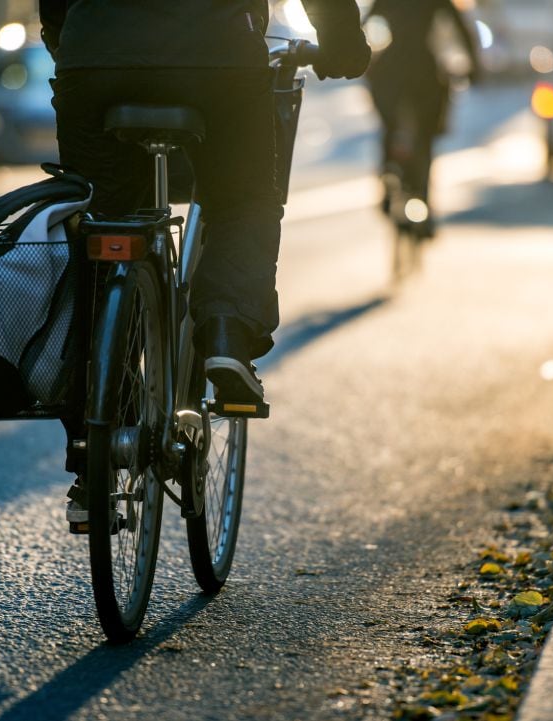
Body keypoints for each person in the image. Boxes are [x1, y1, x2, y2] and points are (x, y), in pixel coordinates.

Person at [38, 0, 370, 526]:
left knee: (100, 224)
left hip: (95, 60)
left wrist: (71, 40)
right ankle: (226, 332)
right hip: (219, 61)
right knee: (243, 200)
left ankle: (91, 446)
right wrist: (343, 43)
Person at [365, 0, 478, 238]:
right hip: (423, 68)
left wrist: (359, 57)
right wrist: (474, 66)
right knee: (425, 136)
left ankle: (388, 178)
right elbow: (461, 28)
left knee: (390, 126)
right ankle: (422, 201)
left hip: (391, 68)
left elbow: (364, 24)